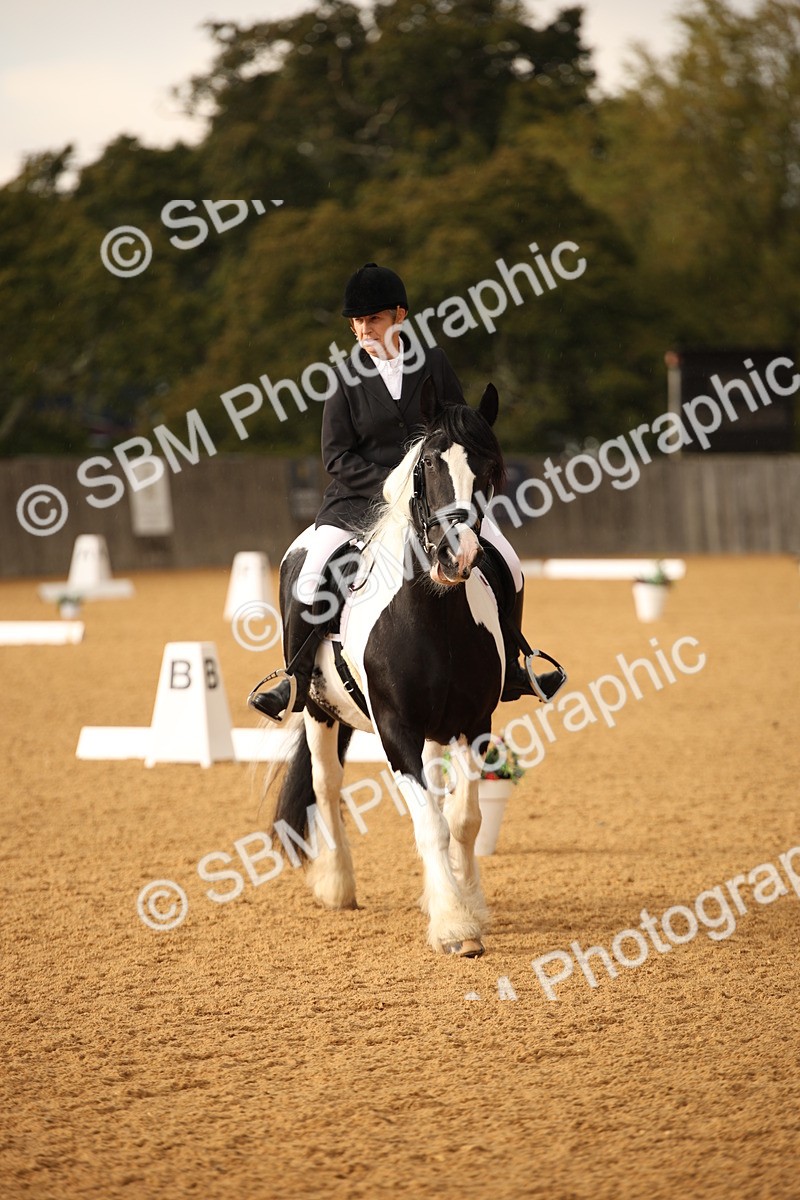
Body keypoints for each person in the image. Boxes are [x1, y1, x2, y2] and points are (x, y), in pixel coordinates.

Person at [251, 262, 560, 722]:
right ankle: (294, 679)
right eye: (356, 323)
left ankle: (513, 667)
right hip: (360, 502)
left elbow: (456, 426)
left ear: (399, 315)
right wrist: (393, 486)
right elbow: (336, 456)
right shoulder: (342, 376)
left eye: (372, 319)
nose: (362, 330)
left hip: (438, 499)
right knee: (312, 572)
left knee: (509, 564)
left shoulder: (432, 362)